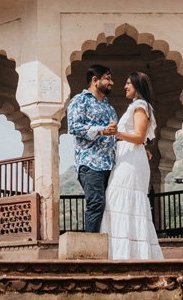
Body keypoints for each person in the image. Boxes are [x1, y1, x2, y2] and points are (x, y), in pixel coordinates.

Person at [101, 71, 164, 260]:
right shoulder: (139, 106)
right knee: (121, 201)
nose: (125, 86)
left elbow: (139, 137)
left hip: (130, 161)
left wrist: (117, 133)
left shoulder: (139, 106)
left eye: (129, 83)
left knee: (121, 200)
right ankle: (127, 254)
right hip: (129, 158)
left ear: (137, 85)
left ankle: (128, 255)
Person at [66, 63, 117, 233]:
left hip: (110, 165)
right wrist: (101, 131)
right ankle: (91, 250)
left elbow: (116, 135)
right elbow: (74, 127)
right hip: (90, 164)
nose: (112, 83)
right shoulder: (79, 101)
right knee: (96, 203)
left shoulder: (109, 108)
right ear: (95, 80)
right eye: (108, 78)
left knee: (111, 206)